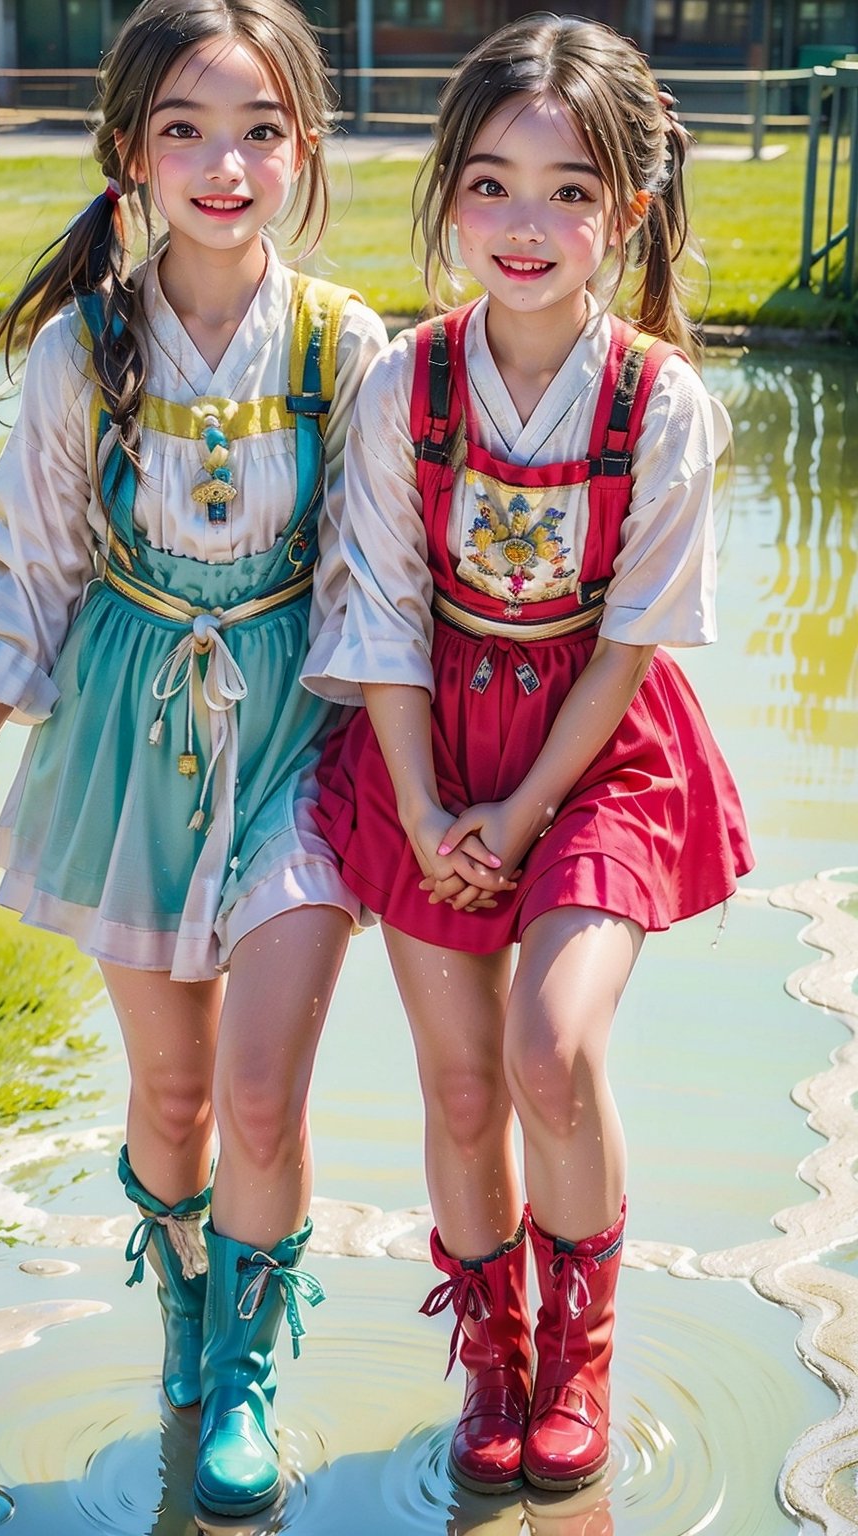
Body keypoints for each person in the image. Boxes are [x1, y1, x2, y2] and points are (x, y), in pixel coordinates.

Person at [0, 0, 387, 1516]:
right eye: (185, 129)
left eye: (256, 130)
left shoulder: (346, 346)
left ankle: (246, 1367)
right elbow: (28, 572)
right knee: (172, 1100)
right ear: (131, 154)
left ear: (301, 151)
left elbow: (386, 586)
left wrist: (427, 782)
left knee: (259, 1096)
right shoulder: (83, 349)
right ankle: (183, 1310)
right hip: (127, 732)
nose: (223, 163)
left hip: (300, 732)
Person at [304, 11, 753, 1498]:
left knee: (550, 1052)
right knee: (456, 1088)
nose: (524, 223)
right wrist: (431, 808)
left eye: (569, 192)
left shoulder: (660, 403)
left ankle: (582, 1349)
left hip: (592, 747)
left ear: (624, 212)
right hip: (429, 728)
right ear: (447, 193)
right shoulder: (404, 387)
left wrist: (522, 803)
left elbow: (632, 642)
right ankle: (492, 1353)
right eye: (490, 182)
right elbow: (375, 612)